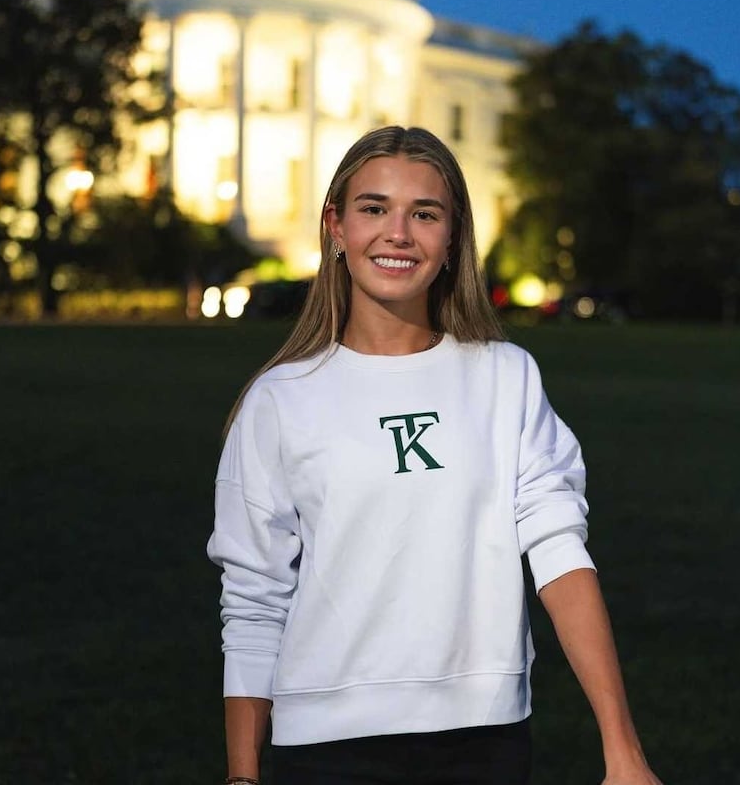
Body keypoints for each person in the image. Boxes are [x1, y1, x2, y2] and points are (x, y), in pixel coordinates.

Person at [207, 125, 662, 785]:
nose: (398, 233)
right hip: (328, 747)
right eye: (373, 209)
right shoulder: (280, 401)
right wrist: (243, 776)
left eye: (424, 213)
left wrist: (623, 749)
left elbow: (561, 558)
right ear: (336, 226)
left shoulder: (506, 378)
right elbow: (253, 599)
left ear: (452, 238)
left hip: (484, 742)